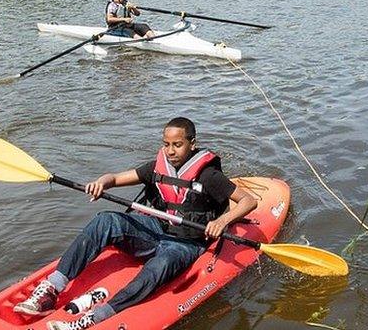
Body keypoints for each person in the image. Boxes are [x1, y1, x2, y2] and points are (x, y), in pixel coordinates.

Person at [14, 117, 258, 330]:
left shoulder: (210, 176)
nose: (170, 151)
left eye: (177, 144)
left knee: (161, 263)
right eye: (166, 144)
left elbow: (248, 201)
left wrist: (222, 220)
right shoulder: (157, 167)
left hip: (186, 242)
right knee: (106, 219)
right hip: (157, 230)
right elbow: (118, 177)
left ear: (192, 144)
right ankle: (51, 290)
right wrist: (103, 182)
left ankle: (97, 316)